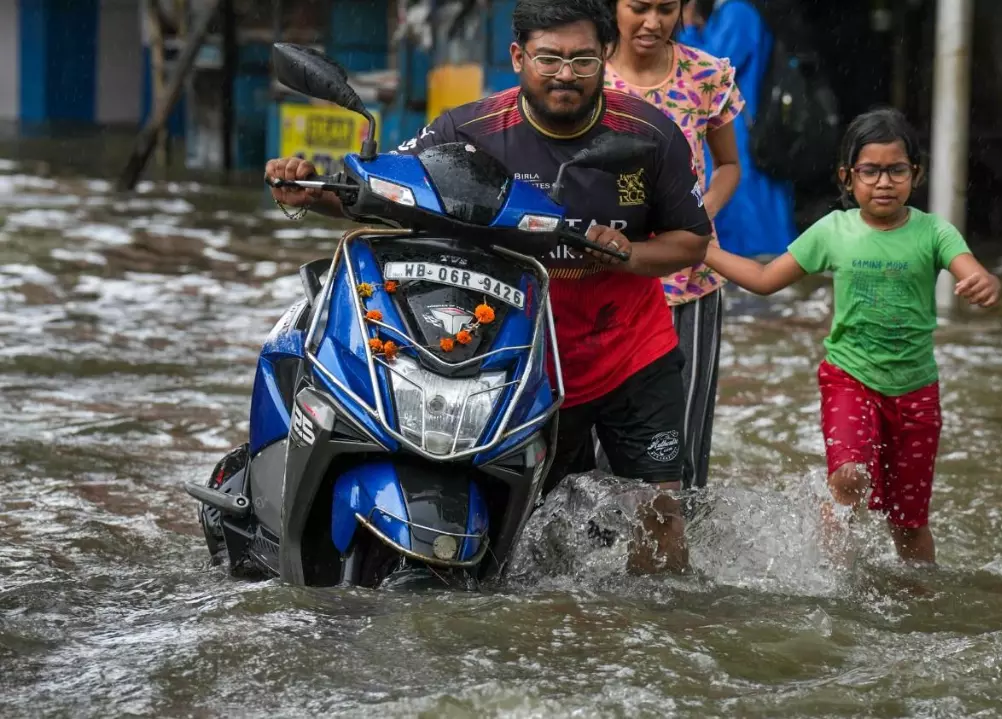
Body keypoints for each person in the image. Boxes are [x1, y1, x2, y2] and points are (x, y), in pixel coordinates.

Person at [265, 0, 712, 575]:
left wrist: (629, 254)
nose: (565, 74)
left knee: (660, 515)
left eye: (581, 59)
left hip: (631, 354)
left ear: (605, 55)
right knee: (522, 533)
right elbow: (394, 191)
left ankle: (659, 642)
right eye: (548, 58)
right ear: (518, 56)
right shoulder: (466, 129)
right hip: (517, 357)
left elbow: (691, 242)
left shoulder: (649, 135)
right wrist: (311, 190)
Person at [701, 108, 1002, 564]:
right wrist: (702, 251)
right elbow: (764, 279)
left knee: (909, 521)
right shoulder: (833, 231)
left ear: (915, 174)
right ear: (848, 177)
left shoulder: (934, 231)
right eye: (871, 171)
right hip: (850, 380)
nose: (884, 182)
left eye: (896, 170)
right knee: (849, 477)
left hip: (917, 391)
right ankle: (835, 574)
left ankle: (919, 595)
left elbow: (972, 269)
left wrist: (984, 282)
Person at [603, 0, 745, 488]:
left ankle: (676, 549)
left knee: (681, 434)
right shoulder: (585, 75)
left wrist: (694, 217)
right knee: (599, 432)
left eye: (666, 9)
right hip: (606, 278)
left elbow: (729, 166)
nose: (652, 22)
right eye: (638, 7)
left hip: (690, 282)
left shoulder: (706, 75)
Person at [680, 0, 796, 258]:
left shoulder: (738, 11)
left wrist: (687, 28)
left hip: (739, 129)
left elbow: (708, 67)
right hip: (733, 126)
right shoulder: (728, 11)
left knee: (745, 206)